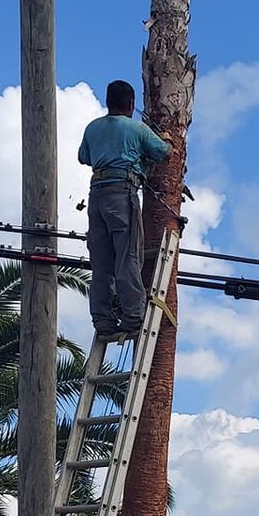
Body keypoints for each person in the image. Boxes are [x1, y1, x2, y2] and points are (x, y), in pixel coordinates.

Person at [77, 80, 171, 340]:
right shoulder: (136, 129)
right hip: (122, 194)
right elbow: (162, 152)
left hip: (96, 196)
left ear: (108, 103)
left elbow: (84, 157)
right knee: (128, 256)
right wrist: (166, 139)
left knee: (102, 262)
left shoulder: (93, 128)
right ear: (131, 105)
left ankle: (103, 321)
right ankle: (132, 316)